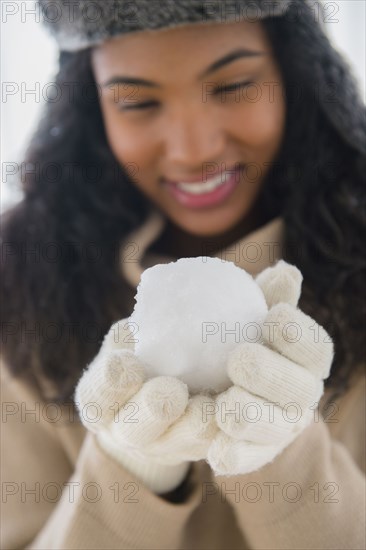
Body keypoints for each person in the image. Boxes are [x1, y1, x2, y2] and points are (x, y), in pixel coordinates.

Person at [1, 0, 365, 548]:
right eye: (138, 102)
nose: (194, 150)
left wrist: (283, 457)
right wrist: (129, 467)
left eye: (233, 85)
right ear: (90, 107)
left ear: (293, 72)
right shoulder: (18, 282)